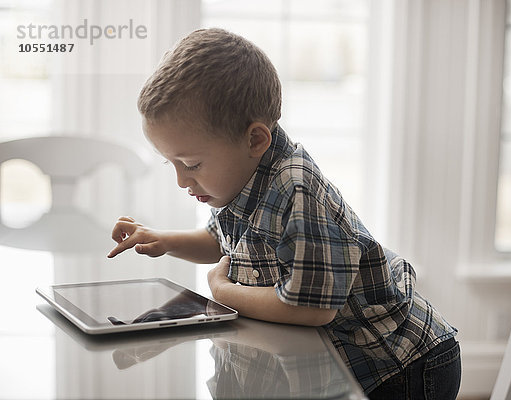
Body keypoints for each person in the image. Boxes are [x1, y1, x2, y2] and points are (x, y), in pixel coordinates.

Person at [107, 28, 461, 399]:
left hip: (402, 365)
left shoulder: (297, 189)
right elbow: (220, 242)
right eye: (171, 164)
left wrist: (224, 291)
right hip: (354, 358)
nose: (182, 180)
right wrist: (162, 240)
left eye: (191, 163)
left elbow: (311, 308)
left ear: (255, 140)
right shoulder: (241, 178)